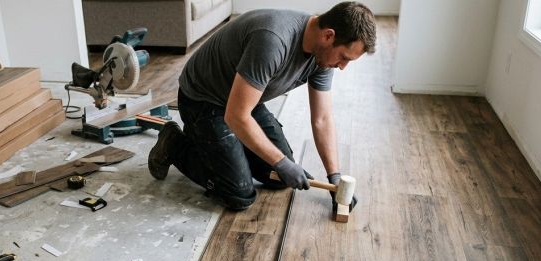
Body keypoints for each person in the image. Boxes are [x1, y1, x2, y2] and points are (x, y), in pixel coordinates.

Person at [148, 2, 376, 210]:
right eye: (344, 57)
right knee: (239, 193)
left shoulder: (323, 57)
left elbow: (322, 119)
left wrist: (334, 176)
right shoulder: (273, 40)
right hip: (203, 100)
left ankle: (229, 149)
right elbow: (236, 116)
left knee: (278, 178)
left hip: (245, 99)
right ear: (329, 36)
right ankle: (174, 144)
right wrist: (280, 161)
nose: (343, 66)